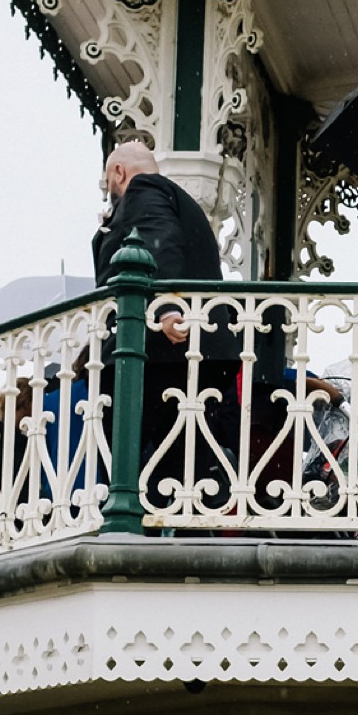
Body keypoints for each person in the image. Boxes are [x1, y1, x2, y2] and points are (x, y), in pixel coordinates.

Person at [93, 141, 237, 507]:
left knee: (129, 460)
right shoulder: (177, 199)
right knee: (184, 467)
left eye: (107, 180)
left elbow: (159, 244)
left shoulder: (144, 191)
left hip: (160, 354)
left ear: (119, 173)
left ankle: (130, 531)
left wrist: (167, 308)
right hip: (192, 354)